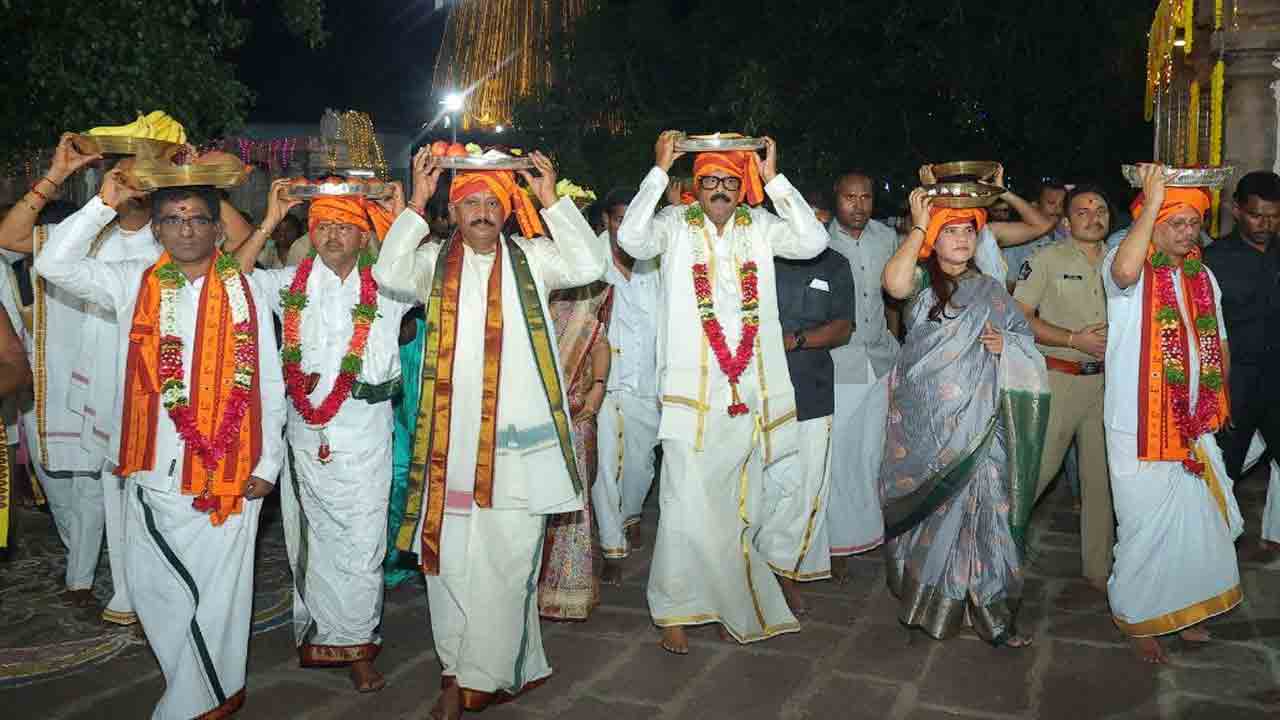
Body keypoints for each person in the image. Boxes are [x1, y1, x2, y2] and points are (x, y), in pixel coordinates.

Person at [33, 169, 286, 718]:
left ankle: (198, 700)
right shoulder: (130, 282)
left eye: (199, 219)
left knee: (222, 593)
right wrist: (106, 203)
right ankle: (205, 683)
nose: (186, 229)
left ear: (218, 231)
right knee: (154, 589)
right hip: (155, 465)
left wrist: (270, 460)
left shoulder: (250, 287)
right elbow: (53, 264)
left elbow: (269, 378)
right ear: (156, 230)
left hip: (233, 468)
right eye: (173, 219)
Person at [374, 148, 606, 718]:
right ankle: (458, 666)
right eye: (469, 202)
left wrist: (550, 197)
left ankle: (485, 673)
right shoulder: (431, 262)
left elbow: (590, 266)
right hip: (450, 449)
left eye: (490, 203)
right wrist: (418, 199)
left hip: (518, 450)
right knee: (449, 561)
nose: (480, 211)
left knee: (508, 558)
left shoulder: (534, 257)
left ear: (506, 211)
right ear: (454, 213)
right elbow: (386, 273)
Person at [617, 131, 827, 654]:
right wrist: (659, 171)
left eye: (730, 182)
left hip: (750, 393)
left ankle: (727, 593)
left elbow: (812, 242)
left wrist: (774, 177)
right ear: (695, 185)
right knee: (684, 499)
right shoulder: (673, 227)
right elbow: (631, 241)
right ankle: (672, 608)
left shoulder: (759, 226)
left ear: (742, 186)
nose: (719, 190)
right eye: (709, 180)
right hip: (691, 398)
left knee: (742, 502)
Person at [231, 177, 410, 692]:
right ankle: (324, 634)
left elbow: (429, 272)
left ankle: (358, 642)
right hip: (306, 436)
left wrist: (397, 217)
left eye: (346, 227)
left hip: (367, 437)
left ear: (363, 237)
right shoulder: (288, 283)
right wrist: (268, 219)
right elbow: (228, 280)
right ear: (311, 233)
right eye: (324, 226)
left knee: (363, 543)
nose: (333, 236)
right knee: (311, 540)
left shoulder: (389, 287)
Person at [879, 187, 1050, 648]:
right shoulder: (917, 280)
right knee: (933, 514)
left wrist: (1007, 348)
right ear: (934, 238)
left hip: (983, 423)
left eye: (967, 232)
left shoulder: (991, 288)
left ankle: (993, 614)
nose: (960, 239)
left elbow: (1022, 338)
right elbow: (892, 285)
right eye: (949, 231)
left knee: (989, 510)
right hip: (928, 424)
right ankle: (931, 603)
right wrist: (918, 227)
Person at [1102, 164, 1242, 664]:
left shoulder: (1202, 275)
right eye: (1174, 221)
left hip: (1194, 420)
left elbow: (1219, 341)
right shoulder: (1124, 265)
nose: (1187, 232)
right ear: (1150, 218)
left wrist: (1217, 398)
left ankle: (1183, 611)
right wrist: (1155, 197)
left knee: (1197, 523)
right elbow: (1123, 272)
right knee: (1143, 525)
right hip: (1137, 423)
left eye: (1193, 223)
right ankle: (1139, 617)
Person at [1012, 184, 1115, 591]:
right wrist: (1073, 339)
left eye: (1102, 209)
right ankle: (992, 554)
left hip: (1108, 384)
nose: (1094, 217)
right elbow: (1019, 315)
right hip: (1060, 378)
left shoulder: (1122, 262)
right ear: (1068, 222)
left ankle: (1098, 570)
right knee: (1035, 475)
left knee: (1101, 481)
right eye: (1084, 212)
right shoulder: (1046, 259)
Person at [760, 247, 853, 613]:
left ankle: (784, 572)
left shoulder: (835, 264)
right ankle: (751, 568)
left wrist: (795, 340)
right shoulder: (760, 253)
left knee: (807, 484)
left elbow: (842, 327)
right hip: (758, 389)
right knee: (762, 485)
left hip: (811, 388)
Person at [825, 171, 901, 575]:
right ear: (836, 198)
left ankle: (869, 533)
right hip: (842, 362)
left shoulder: (886, 238)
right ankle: (836, 543)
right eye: (850, 197)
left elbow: (892, 297)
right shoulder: (817, 241)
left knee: (875, 451)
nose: (858, 205)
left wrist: (898, 340)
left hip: (882, 358)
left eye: (866, 197)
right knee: (840, 455)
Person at [1202, 171, 1280, 555]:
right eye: (1257, 215)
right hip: (1235, 387)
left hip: (1278, 384)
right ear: (1236, 211)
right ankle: (1212, 559)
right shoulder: (1212, 260)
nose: (1266, 224)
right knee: (1223, 474)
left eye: (1274, 216)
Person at [593, 188, 662, 583]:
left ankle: (631, 512)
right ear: (606, 220)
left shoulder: (656, 263)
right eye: (618, 219)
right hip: (605, 381)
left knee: (640, 465)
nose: (624, 228)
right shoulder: (590, 258)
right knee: (605, 466)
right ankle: (612, 547)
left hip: (647, 381)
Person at [539, 274, 611, 619]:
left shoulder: (581, 312)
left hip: (575, 415)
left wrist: (597, 391)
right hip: (529, 422)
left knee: (572, 502)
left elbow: (599, 345)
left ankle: (566, 591)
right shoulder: (522, 307)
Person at [1003, 179, 1068, 291]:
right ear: (1034, 206)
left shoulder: (1066, 240)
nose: (1058, 209)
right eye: (1051, 203)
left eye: (1062, 204)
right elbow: (1008, 287)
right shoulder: (1017, 244)